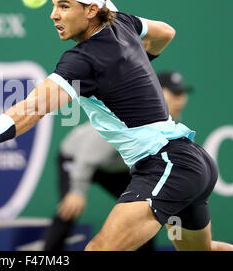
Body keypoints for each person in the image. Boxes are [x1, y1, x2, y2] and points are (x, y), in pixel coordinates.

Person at [0, 0, 233, 251]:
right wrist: (133, 67)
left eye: (64, 6)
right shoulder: (124, 24)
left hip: (167, 164)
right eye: (54, 6)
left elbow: (33, 109)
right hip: (192, 162)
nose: (54, 15)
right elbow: (165, 32)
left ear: (91, 10)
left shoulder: (83, 60)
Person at [43, 70, 192, 251]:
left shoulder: (171, 120)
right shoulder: (132, 114)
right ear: (158, 91)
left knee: (142, 211)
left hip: (114, 166)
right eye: (175, 93)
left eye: (183, 94)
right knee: (70, 207)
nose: (181, 100)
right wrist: (77, 191)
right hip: (78, 156)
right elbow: (88, 152)